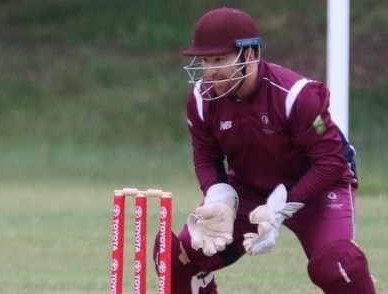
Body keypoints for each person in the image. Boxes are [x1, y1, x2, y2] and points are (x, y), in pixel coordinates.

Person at [153, 7, 376, 294]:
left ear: (249, 56)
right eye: (205, 60)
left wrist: (281, 208)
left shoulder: (297, 95)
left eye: (219, 59)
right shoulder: (201, 99)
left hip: (318, 187)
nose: (210, 71)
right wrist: (219, 196)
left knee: (336, 265)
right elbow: (206, 156)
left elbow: (331, 162)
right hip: (250, 187)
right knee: (175, 256)